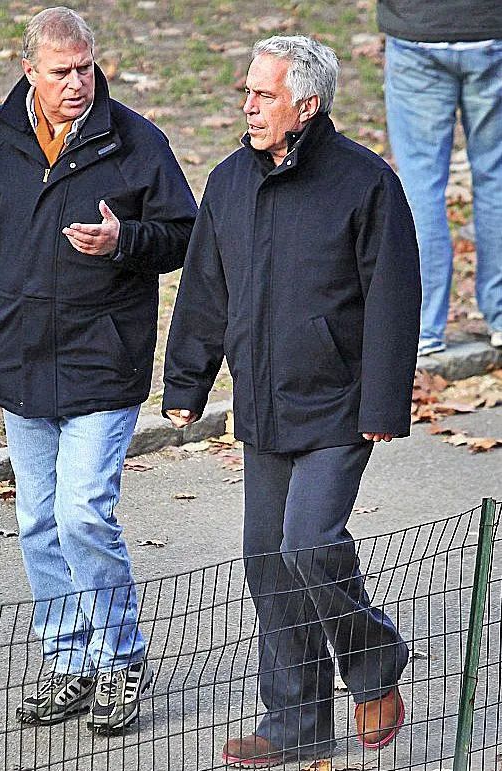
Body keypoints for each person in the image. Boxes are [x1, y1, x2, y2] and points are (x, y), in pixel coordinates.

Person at [163, 35, 421, 767]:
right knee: (267, 563)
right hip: (263, 404)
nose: (247, 106)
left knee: (308, 542)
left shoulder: (365, 182)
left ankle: (373, 660)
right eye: (246, 92)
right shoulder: (227, 182)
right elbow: (205, 289)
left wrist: (383, 404)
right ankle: (296, 721)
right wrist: (186, 382)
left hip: (339, 402)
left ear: (305, 105)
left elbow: (393, 298)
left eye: (263, 94)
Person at [0, 6, 196, 732]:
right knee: (37, 522)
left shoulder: (136, 142)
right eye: (60, 71)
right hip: (19, 361)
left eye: (86, 67)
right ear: (29, 70)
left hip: (103, 361)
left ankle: (120, 659)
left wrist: (126, 240)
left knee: (82, 513)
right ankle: (68, 660)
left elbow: (185, 235)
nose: (77, 83)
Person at [378, 0, 502, 355]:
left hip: (417, 27)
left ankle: (423, 326)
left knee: (420, 187)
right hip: (492, 27)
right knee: (497, 177)